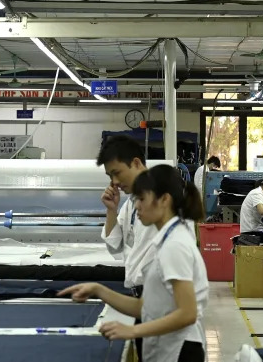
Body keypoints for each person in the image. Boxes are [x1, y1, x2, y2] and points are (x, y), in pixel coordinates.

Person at [60, 165, 208, 362]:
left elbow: (187, 313)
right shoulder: (165, 242)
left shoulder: (175, 246)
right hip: (167, 348)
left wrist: (132, 330)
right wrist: (99, 290)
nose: (136, 206)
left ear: (164, 200)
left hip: (180, 350)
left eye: (142, 199)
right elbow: (147, 309)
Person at [98, 135, 157, 361]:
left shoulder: (161, 198)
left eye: (116, 173)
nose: (114, 182)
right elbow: (115, 246)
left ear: (135, 163)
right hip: (143, 301)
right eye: (109, 176)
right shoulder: (131, 202)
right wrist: (111, 210)